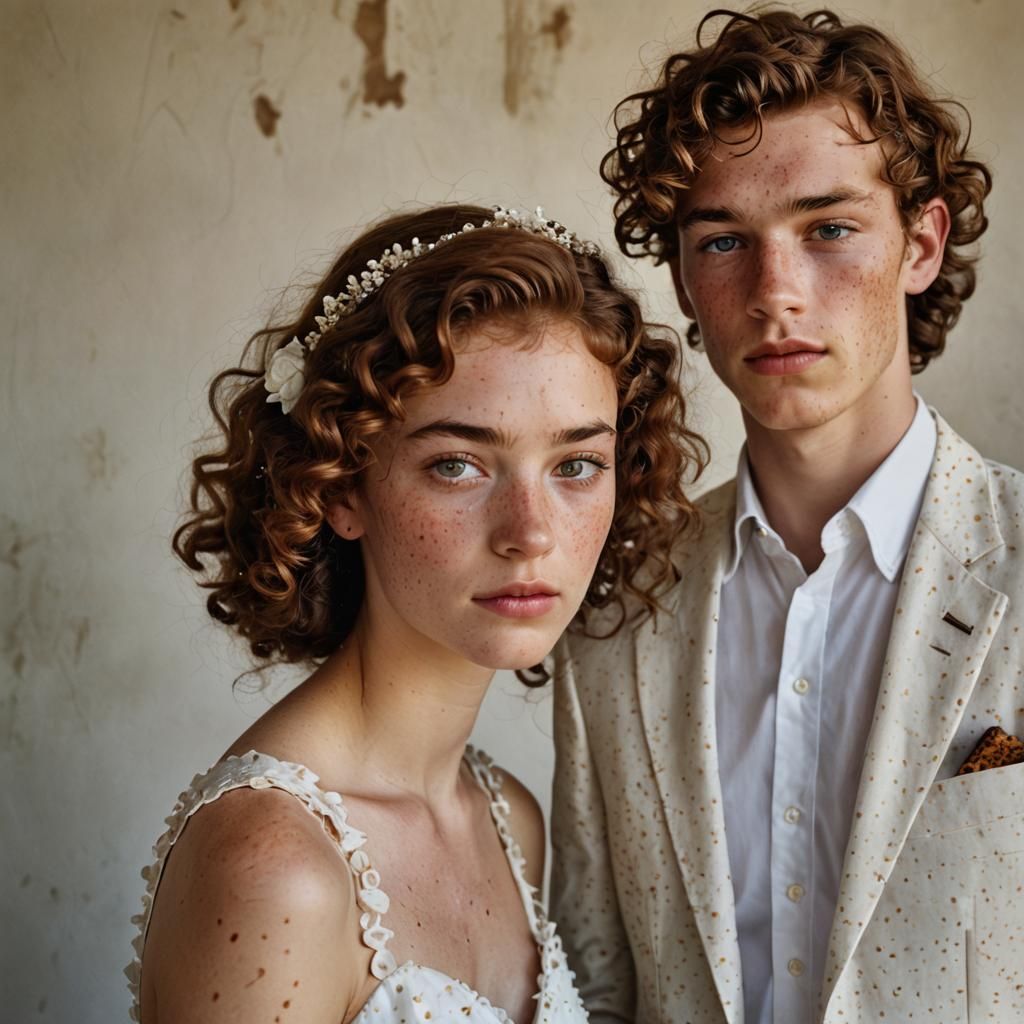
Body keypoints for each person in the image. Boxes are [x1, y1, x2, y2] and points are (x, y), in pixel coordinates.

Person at [551, 9, 1024, 1024]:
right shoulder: (614, 608)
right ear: (683, 276)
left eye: (828, 228)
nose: (775, 293)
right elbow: (596, 981)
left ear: (921, 242)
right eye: (724, 240)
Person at [125, 203, 705, 1024]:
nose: (531, 533)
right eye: (460, 465)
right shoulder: (277, 868)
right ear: (341, 487)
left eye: (576, 464)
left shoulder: (509, 819)